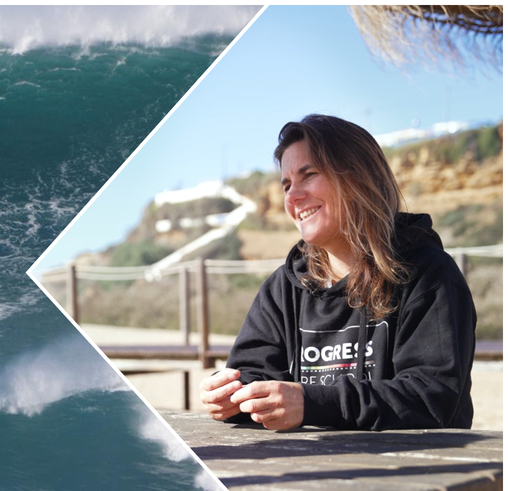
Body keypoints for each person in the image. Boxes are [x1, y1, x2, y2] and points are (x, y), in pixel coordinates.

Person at [200, 114, 476, 431]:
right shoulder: (284, 287)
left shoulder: (428, 274)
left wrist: (311, 403)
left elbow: (432, 397)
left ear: (359, 178)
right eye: (287, 184)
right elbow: (254, 374)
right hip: (314, 471)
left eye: (309, 175)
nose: (292, 197)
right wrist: (232, 396)